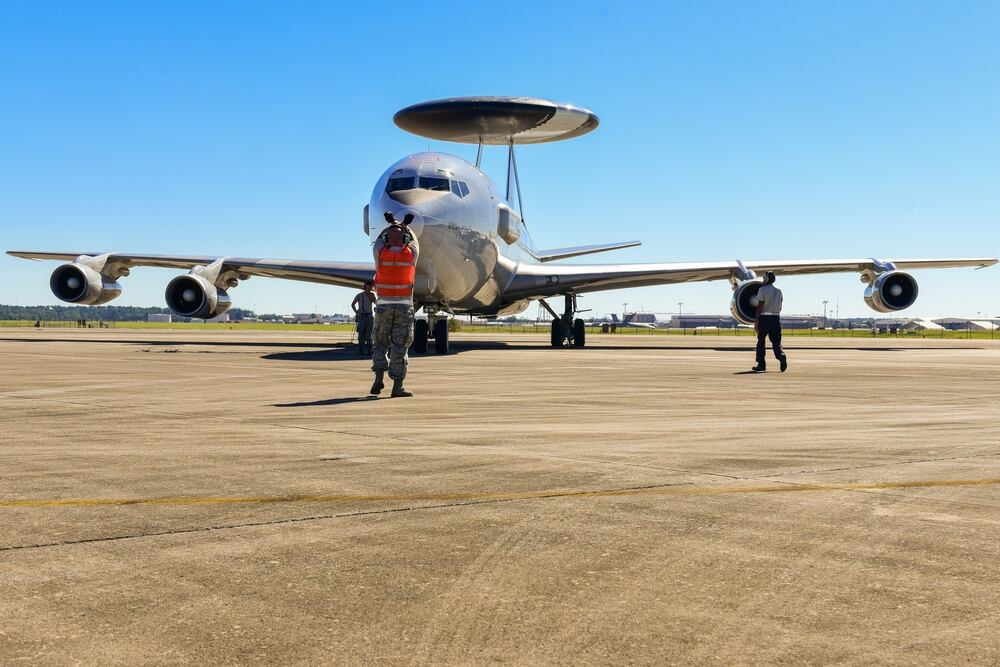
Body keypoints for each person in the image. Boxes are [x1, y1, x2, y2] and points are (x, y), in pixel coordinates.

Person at [370, 212, 419, 397]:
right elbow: (414, 239)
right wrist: (404, 225)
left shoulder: (380, 253)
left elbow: (378, 241)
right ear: (405, 238)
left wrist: (391, 224)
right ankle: (397, 387)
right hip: (404, 307)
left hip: (383, 306)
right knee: (400, 346)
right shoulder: (411, 254)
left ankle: (378, 379)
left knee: (379, 343)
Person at [753, 271, 788, 373]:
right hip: (776, 318)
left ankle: (761, 364)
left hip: (764, 318)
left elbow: (760, 305)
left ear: (767, 279)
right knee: (776, 342)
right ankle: (781, 355)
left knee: (761, 342)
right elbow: (780, 307)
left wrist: (757, 320)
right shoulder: (779, 291)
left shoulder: (762, 289)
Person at [351, 281, 376, 356]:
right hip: (361, 316)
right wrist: (357, 312)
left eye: (370, 287)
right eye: (367, 287)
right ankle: (361, 350)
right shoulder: (360, 295)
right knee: (361, 334)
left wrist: (371, 297)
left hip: (369, 316)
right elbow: (353, 304)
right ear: (365, 287)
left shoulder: (372, 295)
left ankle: (369, 351)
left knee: (369, 335)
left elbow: (376, 302)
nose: (369, 288)